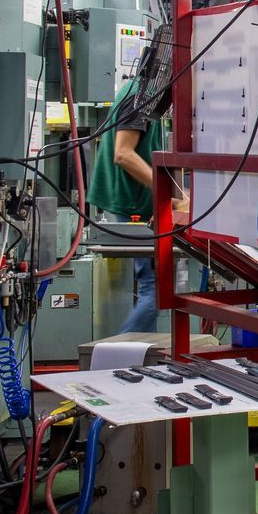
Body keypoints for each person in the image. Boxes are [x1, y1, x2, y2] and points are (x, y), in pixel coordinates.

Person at [86, 72, 186, 335]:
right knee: (155, 291)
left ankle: (139, 356)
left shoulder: (148, 94)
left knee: (151, 288)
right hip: (130, 203)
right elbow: (123, 154)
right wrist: (173, 197)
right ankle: (118, 359)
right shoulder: (140, 97)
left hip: (137, 201)